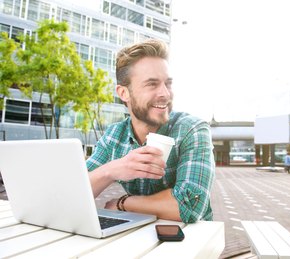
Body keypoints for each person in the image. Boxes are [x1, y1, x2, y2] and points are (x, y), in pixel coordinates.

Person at [86, 40, 215, 223]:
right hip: (140, 236)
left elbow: (189, 207)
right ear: (124, 93)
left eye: (167, 84)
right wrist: (113, 170)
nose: (165, 94)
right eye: (152, 84)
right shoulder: (115, 136)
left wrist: (124, 203)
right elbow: (75, 192)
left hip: (191, 241)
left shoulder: (191, 129)